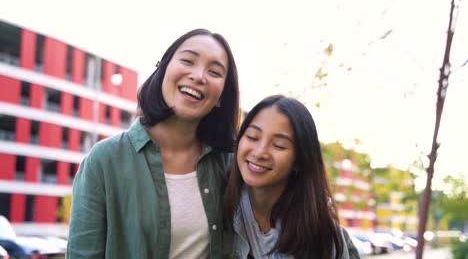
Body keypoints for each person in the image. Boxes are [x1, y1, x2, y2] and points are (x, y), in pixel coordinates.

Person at [67, 28, 239, 258]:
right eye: (188, 60)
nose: (199, 76)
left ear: (221, 98)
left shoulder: (230, 165)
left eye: (215, 72)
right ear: (162, 70)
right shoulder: (105, 160)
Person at [223, 95, 360, 259]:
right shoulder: (216, 205)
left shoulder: (322, 235)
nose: (259, 152)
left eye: (278, 145)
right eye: (252, 137)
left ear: (299, 161)